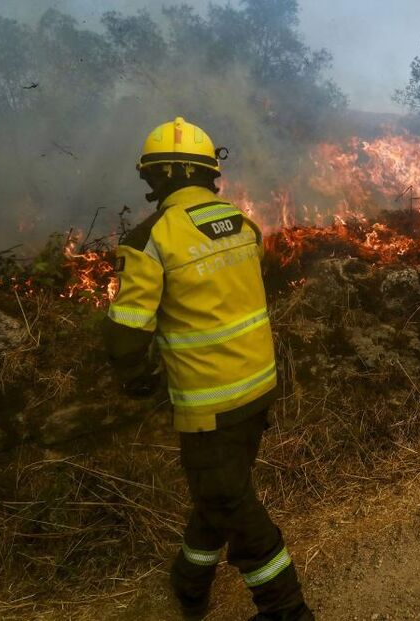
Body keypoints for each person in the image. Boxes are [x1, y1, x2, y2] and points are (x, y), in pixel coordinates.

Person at [103, 117, 314, 620]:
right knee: (219, 495)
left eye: (151, 175)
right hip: (259, 388)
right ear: (206, 172)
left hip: (209, 406)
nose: (148, 184)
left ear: (169, 173)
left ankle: (286, 610)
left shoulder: (151, 238)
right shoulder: (242, 223)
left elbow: (127, 332)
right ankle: (190, 581)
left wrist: (137, 378)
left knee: (232, 505)